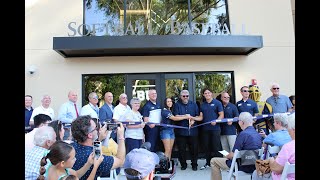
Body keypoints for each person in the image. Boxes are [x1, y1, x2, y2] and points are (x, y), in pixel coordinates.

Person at [210, 112, 263, 180]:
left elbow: (232, 155)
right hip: (255, 165)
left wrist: (227, 155)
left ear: (241, 122)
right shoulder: (257, 134)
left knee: (214, 161)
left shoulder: (242, 134)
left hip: (241, 165)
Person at [71, 115, 126, 180]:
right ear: (90, 135)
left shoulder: (71, 147)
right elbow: (120, 161)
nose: (99, 130)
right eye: (96, 128)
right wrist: (121, 136)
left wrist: (99, 139)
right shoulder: (96, 157)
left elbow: (90, 147)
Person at [252, 113, 295, 180]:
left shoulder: (288, 147)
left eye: (274, 122)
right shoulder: (288, 140)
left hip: (285, 176)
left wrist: (271, 160)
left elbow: (276, 169)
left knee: (256, 173)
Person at [37, 141, 103, 180]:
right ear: (62, 163)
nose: (75, 159)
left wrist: (89, 163)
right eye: (73, 158)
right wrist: (95, 167)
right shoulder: (64, 178)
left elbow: (76, 174)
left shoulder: (53, 163)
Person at [173, 90, 200, 171]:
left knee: (194, 149)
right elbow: (176, 116)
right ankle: (183, 164)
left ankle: (194, 164)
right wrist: (185, 116)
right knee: (181, 149)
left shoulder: (194, 104)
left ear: (189, 96)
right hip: (181, 131)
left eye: (187, 96)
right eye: (183, 96)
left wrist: (193, 120)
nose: (185, 97)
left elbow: (197, 115)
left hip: (192, 131)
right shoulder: (177, 105)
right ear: (180, 96)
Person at [198, 88, 224, 170]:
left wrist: (216, 121)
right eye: (205, 93)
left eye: (208, 93)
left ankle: (219, 164)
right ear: (203, 95)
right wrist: (191, 118)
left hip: (215, 129)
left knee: (217, 147)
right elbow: (201, 117)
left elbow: (221, 115)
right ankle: (208, 163)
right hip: (205, 129)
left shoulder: (217, 103)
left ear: (211, 93)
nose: (207, 94)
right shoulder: (202, 105)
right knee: (206, 147)